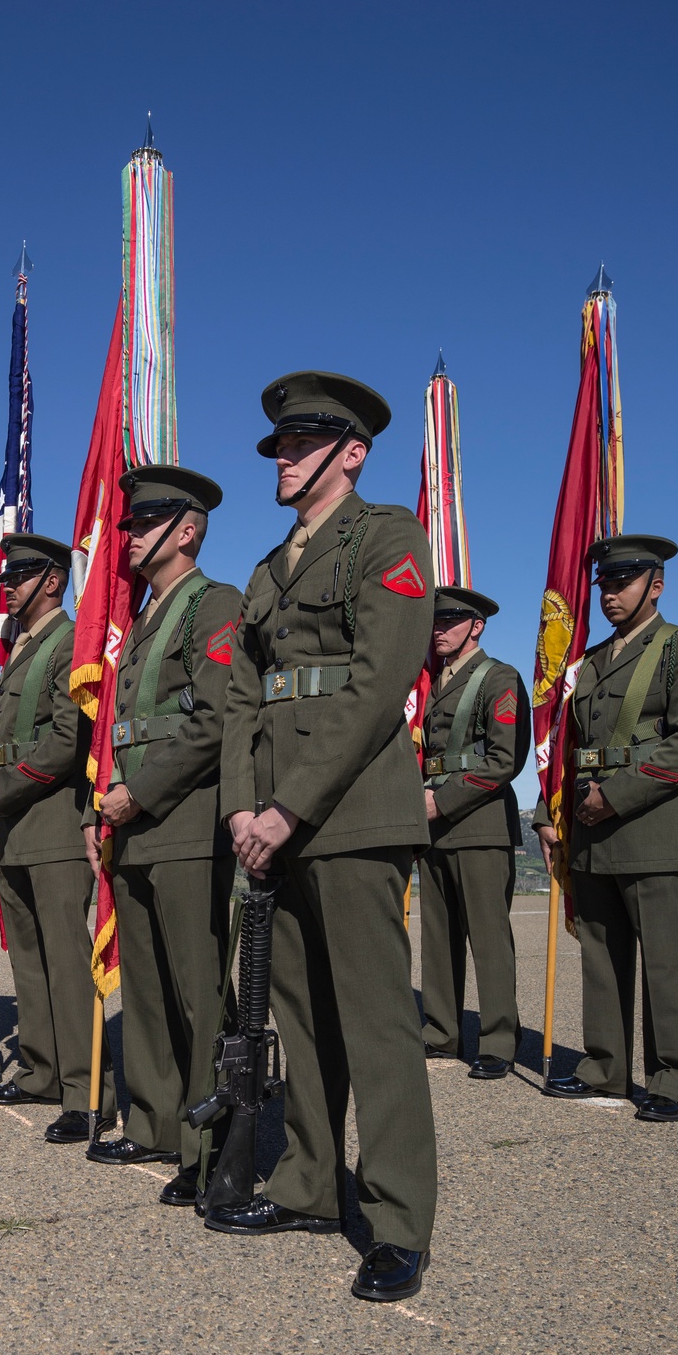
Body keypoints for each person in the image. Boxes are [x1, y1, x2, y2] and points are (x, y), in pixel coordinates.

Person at [216, 370, 438, 1303]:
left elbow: (376, 686)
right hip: (270, 818)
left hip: (347, 812)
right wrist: (240, 804)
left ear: (351, 451)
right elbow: (237, 697)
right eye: (276, 445)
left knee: (376, 1022)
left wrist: (288, 805)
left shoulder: (385, 536)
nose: (283, 456)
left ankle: (395, 1223)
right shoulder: (268, 570)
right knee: (298, 1018)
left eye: (302, 443)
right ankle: (309, 1182)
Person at [83, 465, 241, 1208]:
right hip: (132, 824)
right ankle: (151, 1120)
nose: (131, 536)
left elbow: (212, 721)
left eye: (144, 525)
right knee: (145, 989)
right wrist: (98, 811)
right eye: (130, 525)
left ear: (186, 530)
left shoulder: (214, 605)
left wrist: (135, 796)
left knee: (195, 990)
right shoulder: (145, 618)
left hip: (184, 822)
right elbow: (121, 730)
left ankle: (210, 1145)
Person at [535, 534, 678, 1122]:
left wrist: (614, 798)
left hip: (653, 829)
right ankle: (605, 1067)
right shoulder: (591, 661)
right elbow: (572, 747)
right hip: (592, 832)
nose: (610, 594)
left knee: (664, 962)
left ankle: (671, 1078)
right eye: (604, 585)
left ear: (656, 585)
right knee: (601, 956)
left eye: (623, 582)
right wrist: (549, 814)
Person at [0, 534, 116, 1141]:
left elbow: (66, 743)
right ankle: (41, 1072)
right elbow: (4, 742)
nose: (6, 588)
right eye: (6, 578)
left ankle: (87, 1094)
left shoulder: (67, 645)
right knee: (27, 960)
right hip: (17, 830)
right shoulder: (21, 648)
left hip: (55, 823)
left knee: (63, 960)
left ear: (52, 582)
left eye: (20, 577)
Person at [418, 586, 530, 1077]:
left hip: (478, 823)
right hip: (430, 823)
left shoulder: (497, 678)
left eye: (450, 622)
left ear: (476, 626)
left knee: (487, 939)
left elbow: (505, 759)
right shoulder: (434, 681)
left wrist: (441, 801)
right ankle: (441, 1033)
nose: (438, 630)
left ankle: (498, 1041)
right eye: (435, 622)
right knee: (438, 938)